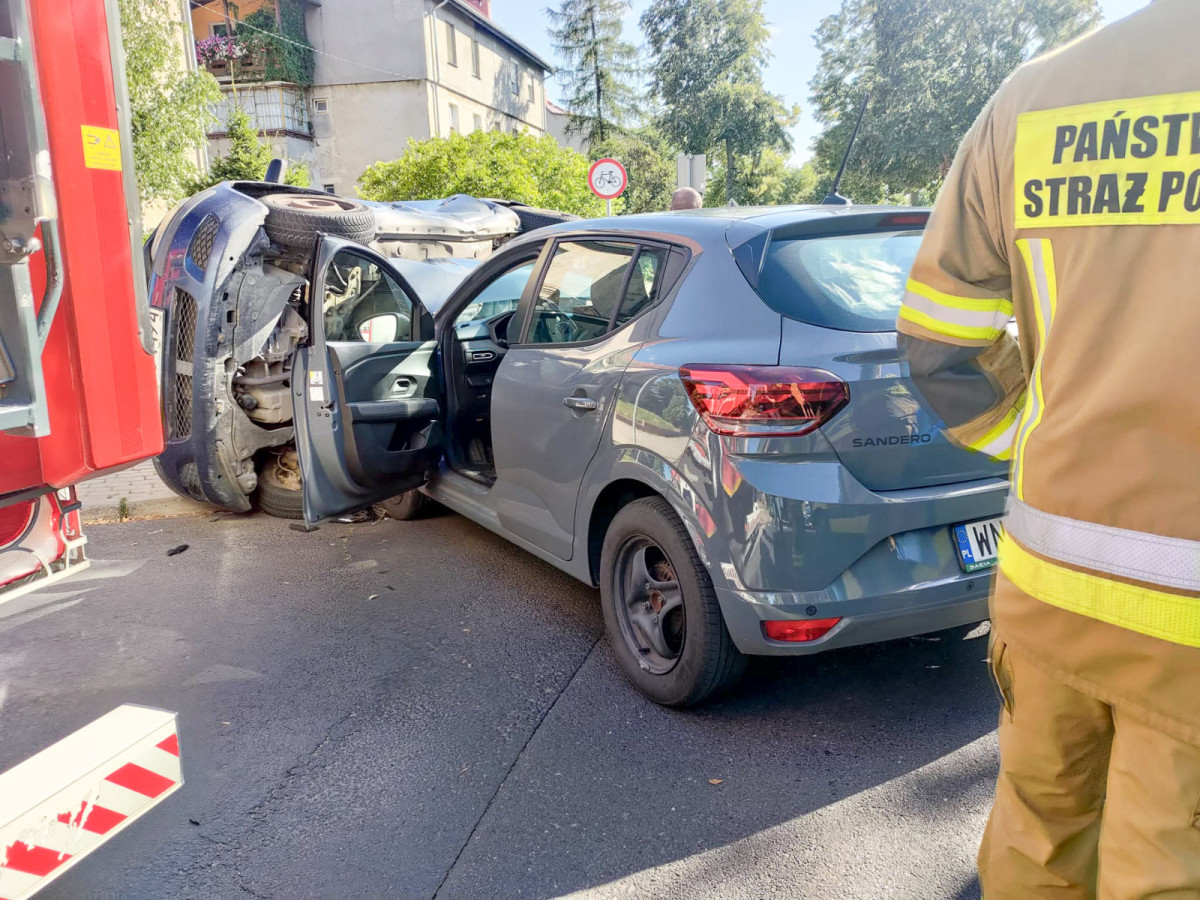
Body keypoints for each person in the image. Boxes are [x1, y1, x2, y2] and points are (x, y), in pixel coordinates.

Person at [896, 2, 1200, 896]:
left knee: (1036, 845)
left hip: (1048, 591)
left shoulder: (1035, 98)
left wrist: (1040, 445)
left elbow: (938, 343)